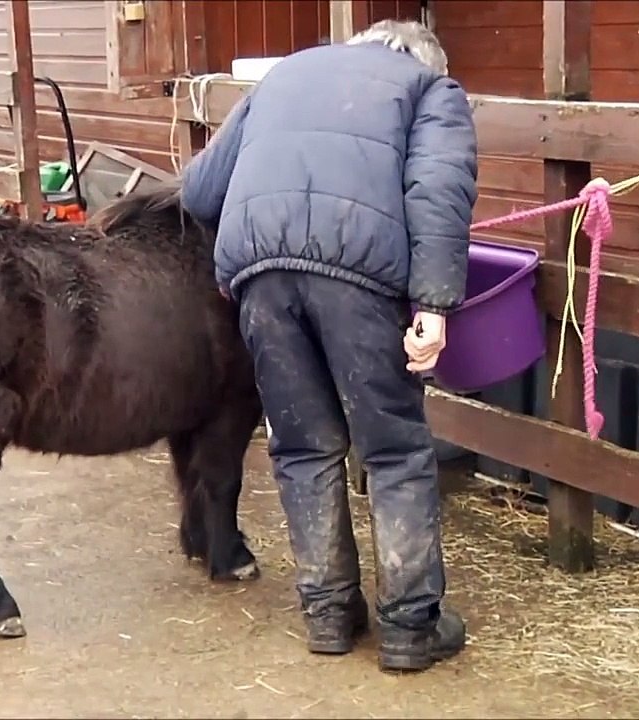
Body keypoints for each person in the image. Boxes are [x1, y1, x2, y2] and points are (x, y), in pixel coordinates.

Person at [179, 19, 479, 673]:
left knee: (303, 448)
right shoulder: (432, 90)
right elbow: (437, 194)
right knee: (395, 451)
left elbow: (200, 190)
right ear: (424, 58)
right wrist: (433, 305)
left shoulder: (285, 74)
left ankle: (330, 615)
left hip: (259, 276)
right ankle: (409, 627)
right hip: (359, 276)